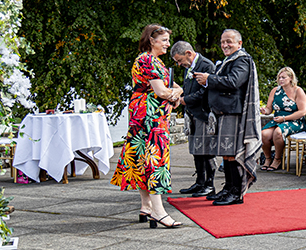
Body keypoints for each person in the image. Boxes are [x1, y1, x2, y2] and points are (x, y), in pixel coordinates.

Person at [112, 24, 184, 228]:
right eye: (164, 40)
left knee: (142, 158)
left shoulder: (155, 61)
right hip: (150, 118)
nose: (168, 44)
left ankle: (147, 206)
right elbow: (163, 91)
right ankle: (159, 212)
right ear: (152, 40)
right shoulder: (147, 60)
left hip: (146, 115)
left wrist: (175, 93)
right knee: (155, 160)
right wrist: (175, 95)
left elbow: (174, 88)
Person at [193, 29, 263, 206]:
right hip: (223, 112)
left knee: (232, 153)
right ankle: (228, 188)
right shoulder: (228, 60)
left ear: (239, 43)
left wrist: (209, 79)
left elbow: (233, 81)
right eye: (223, 41)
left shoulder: (242, 60)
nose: (225, 45)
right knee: (226, 153)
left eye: (229, 41)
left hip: (233, 113)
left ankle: (236, 192)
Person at [171, 40, 216, 197]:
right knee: (196, 150)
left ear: (188, 53)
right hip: (192, 113)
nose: (179, 64)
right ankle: (200, 182)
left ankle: (209, 184)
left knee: (206, 150)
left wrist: (185, 100)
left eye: (180, 60)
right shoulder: (188, 67)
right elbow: (187, 89)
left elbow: (206, 92)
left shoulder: (207, 66)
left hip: (203, 113)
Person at [260, 67, 306, 171]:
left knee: (278, 132)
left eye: (283, 77)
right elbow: (269, 109)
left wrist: (284, 118)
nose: (280, 80)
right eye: (279, 77)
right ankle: (268, 158)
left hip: (294, 121)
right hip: (278, 120)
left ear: (290, 78)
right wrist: (265, 111)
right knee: (264, 134)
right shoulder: (275, 91)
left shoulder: (298, 91)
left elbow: (302, 112)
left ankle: (278, 159)